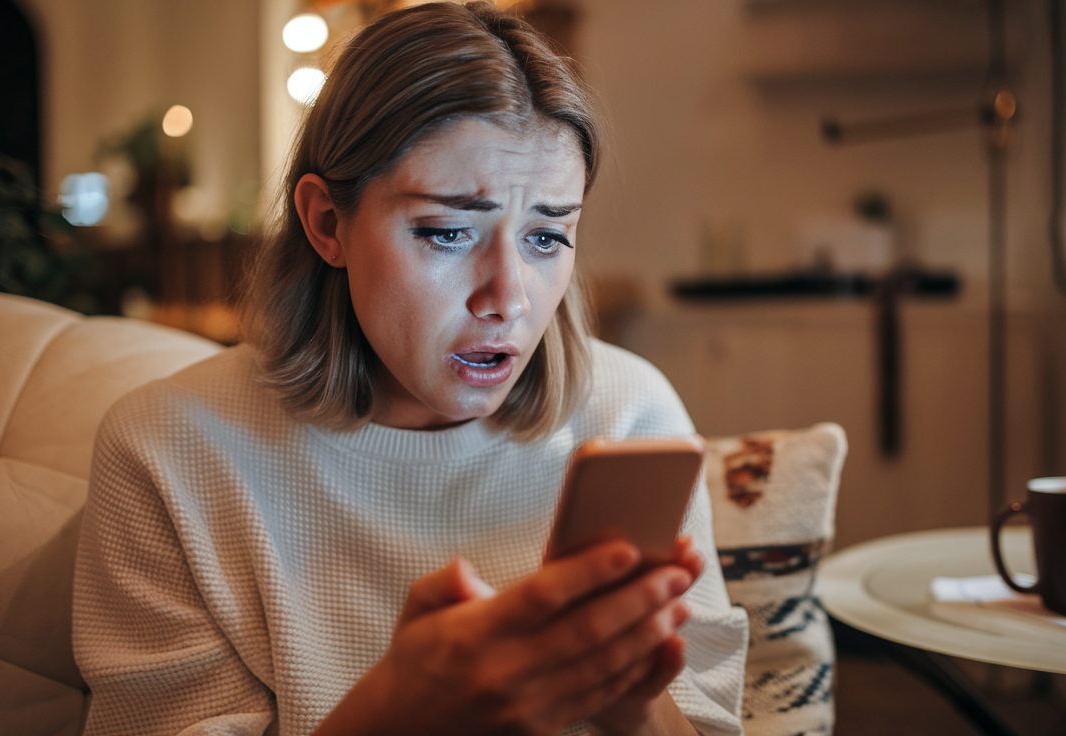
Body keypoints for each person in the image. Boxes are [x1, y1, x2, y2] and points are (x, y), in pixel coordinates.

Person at [72, 3, 748, 735]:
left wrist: (628, 701)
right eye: (449, 231)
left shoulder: (630, 417)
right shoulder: (166, 451)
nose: (510, 299)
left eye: (547, 236)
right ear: (328, 223)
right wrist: (397, 714)